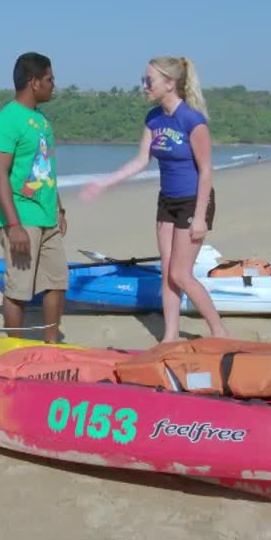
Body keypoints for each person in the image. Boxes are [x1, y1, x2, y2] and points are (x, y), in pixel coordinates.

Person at [80, 56, 229, 341]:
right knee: (167, 274)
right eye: (143, 80)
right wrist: (104, 183)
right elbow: (140, 161)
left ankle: (219, 331)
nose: (144, 86)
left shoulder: (192, 121)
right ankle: (170, 336)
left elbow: (207, 172)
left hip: (193, 202)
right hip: (167, 203)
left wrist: (199, 217)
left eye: (149, 81)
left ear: (170, 83)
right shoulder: (153, 118)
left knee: (181, 274)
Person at [0, 52, 68, 344]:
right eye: (49, 79)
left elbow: (45, 169)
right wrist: (14, 225)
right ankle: (15, 349)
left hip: (47, 216)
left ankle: (51, 345)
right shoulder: (5, 121)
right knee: (19, 290)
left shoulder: (41, 121)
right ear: (34, 82)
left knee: (57, 282)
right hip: (21, 216)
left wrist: (59, 209)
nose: (53, 85)